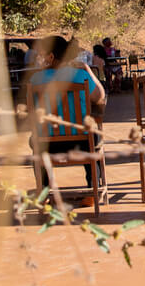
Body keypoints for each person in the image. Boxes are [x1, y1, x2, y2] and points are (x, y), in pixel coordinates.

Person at [28, 35, 106, 190]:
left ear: (51, 57)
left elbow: (31, 110)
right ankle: (93, 186)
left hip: (47, 144)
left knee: (34, 141)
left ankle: (44, 189)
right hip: (81, 143)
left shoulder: (36, 79)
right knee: (93, 137)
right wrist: (88, 70)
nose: (38, 59)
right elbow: (100, 97)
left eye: (41, 55)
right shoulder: (81, 75)